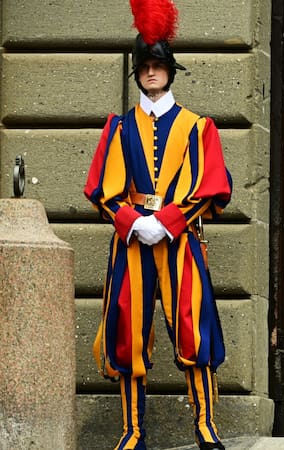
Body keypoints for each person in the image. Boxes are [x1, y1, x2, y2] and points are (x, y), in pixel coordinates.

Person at [83, 1, 232, 448]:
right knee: (127, 333)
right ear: (137, 73)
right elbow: (101, 191)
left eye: (158, 65)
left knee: (193, 329)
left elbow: (210, 188)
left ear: (170, 71)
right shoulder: (119, 127)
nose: (151, 73)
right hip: (131, 243)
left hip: (179, 240)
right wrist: (133, 222)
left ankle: (206, 427)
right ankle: (132, 432)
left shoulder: (197, 127)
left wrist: (166, 222)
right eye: (144, 66)